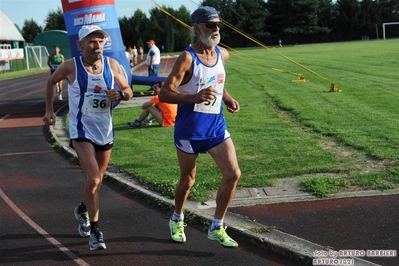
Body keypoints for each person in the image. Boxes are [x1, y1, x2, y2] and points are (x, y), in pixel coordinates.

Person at [43, 25, 133, 251]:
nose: (98, 46)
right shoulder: (70, 66)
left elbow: (128, 90)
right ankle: (96, 231)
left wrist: (121, 94)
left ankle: (82, 210)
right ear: (81, 45)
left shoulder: (112, 65)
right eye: (92, 42)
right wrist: (49, 110)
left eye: (101, 41)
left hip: (105, 131)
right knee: (93, 179)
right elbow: (51, 81)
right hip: (81, 131)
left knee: (97, 182)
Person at [158, 6, 241, 248]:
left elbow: (217, 80)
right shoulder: (186, 58)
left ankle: (217, 225)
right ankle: (177, 217)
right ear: (197, 28)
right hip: (189, 131)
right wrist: (193, 97)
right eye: (211, 25)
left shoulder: (223, 55)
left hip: (215, 127)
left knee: (233, 173)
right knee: (188, 180)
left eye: (218, 24)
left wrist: (226, 97)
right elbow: (164, 93)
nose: (216, 29)